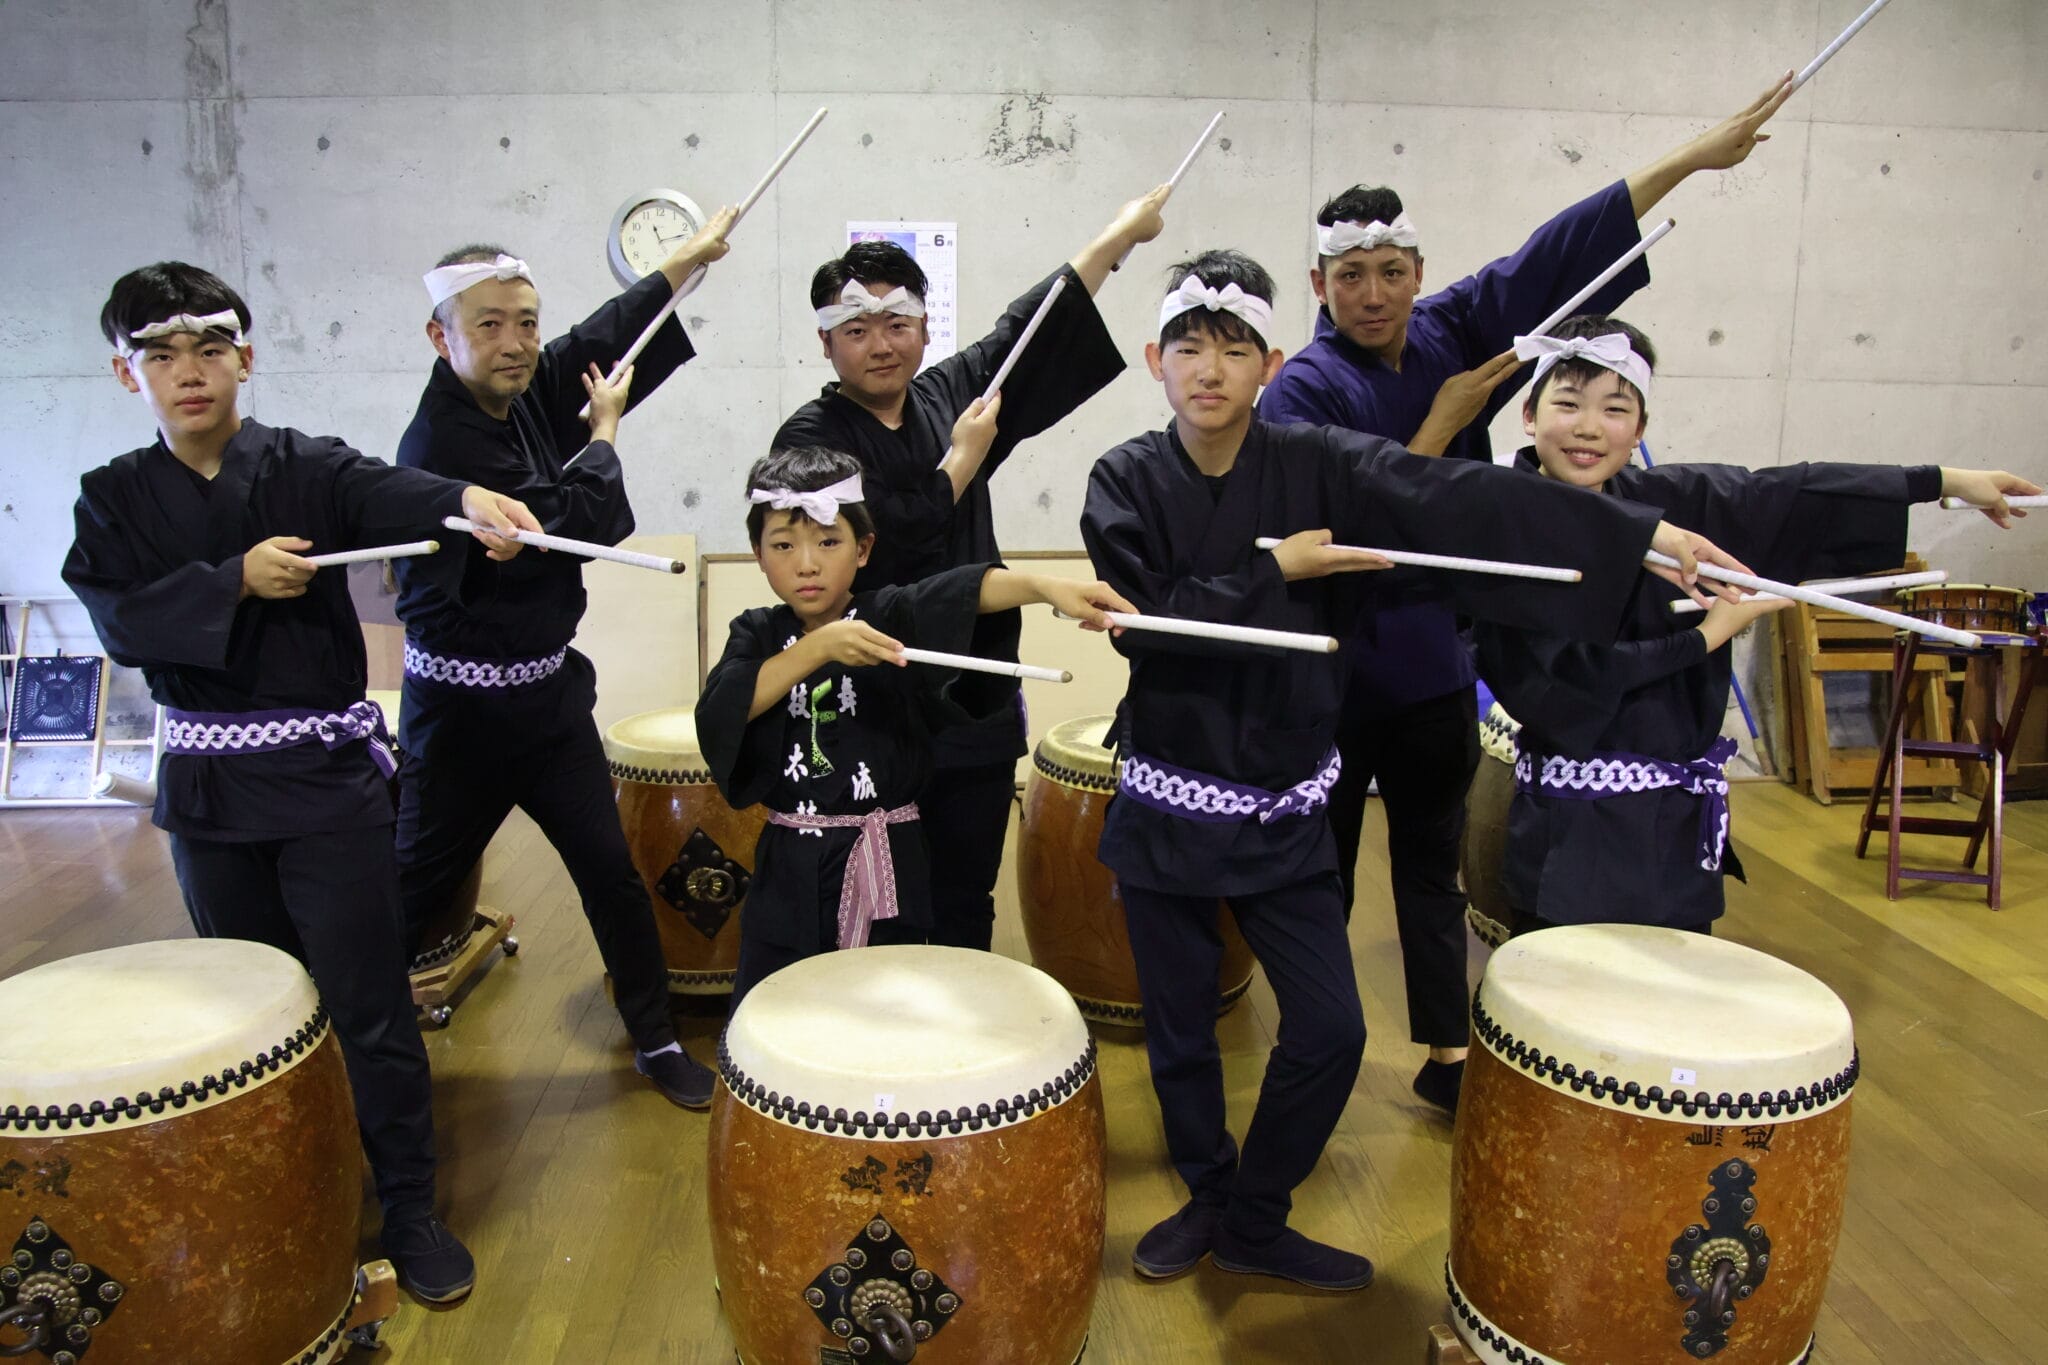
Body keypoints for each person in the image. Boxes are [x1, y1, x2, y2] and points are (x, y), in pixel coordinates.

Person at [1081, 251, 1746, 1291]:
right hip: (1167, 804)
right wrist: (1277, 569)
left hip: (1286, 812)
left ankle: (1255, 1212)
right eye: (1188, 347)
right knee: (1179, 1034)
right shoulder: (1123, 478)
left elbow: (1449, 491)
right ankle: (1207, 1192)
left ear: (1271, 364)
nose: (1208, 369)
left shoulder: (1319, 459)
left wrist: (1638, 529)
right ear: (1152, 359)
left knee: (1331, 1030)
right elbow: (1147, 626)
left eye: (1233, 349)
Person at [1257, 74, 1797, 1115]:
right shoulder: (1305, 389)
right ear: (1318, 284)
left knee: (1431, 868)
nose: (1373, 293)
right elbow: (1341, 531)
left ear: (1418, 273)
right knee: (1322, 871)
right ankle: (1317, 1053)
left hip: (1430, 660)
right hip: (1334, 668)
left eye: (1392, 271)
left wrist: (1690, 158)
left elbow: (1551, 255)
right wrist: (1443, 418)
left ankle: (1446, 1053)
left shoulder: (1450, 328)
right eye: (1350, 275)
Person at [63, 261, 543, 1303]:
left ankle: (408, 1204)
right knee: (254, 1001)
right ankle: (289, 1187)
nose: (190, 371)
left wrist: (466, 498)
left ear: (244, 357)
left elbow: (388, 489)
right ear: (126, 372)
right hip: (209, 788)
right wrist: (232, 581)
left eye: (209, 348)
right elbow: (121, 623)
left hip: (325, 783)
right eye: (161, 355)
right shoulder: (112, 498)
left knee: (368, 1001)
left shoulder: (303, 467)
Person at [1473, 314, 2039, 933]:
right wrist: (1708, 636)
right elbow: (1561, 682)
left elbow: (1786, 493)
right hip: (1572, 836)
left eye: (1614, 409)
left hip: (1677, 823)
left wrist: (1945, 481)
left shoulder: (1671, 502)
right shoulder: (1501, 526)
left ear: (1639, 429)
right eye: (1568, 403)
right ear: (1529, 415)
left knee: (1678, 983)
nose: (1588, 427)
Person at [391, 211, 735, 1110]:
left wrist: (682, 266)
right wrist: (605, 432)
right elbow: (571, 523)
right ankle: (347, 1053)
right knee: (410, 893)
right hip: (457, 719)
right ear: (440, 336)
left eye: (526, 322)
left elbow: (596, 344)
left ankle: (657, 1038)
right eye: (489, 325)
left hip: (546, 704)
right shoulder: (443, 442)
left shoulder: (520, 395)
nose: (516, 343)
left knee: (610, 874)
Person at [770, 188, 1166, 953]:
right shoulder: (807, 439)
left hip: (975, 693)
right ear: (826, 343)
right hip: (875, 706)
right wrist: (961, 462)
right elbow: (878, 544)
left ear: (924, 328)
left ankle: (964, 1013)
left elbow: (1030, 329)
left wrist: (1117, 238)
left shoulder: (947, 394)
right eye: (856, 329)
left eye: (898, 324)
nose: (881, 344)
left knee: (965, 895)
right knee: (880, 898)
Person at [697, 438, 1130, 1001]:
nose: (806, 563)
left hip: (886, 853)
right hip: (791, 862)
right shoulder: (756, 631)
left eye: (828, 541)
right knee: (777, 1002)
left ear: (863, 549)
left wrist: (1043, 586)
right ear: (758, 554)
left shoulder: (887, 614)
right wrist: (819, 647)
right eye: (783, 545)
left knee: (886, 1004)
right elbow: (724, 708)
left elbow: (960, 591)